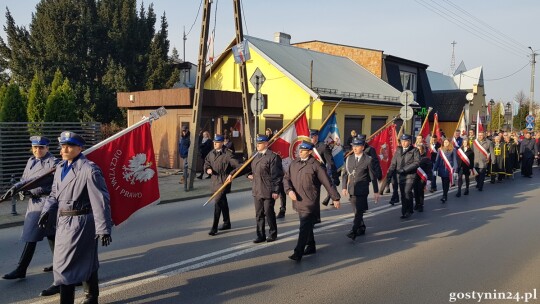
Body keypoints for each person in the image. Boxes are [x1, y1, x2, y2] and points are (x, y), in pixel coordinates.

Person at [39, 131, 112, 304]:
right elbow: (54, 194)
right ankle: (92, 297)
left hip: (81, 221)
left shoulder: (89, 169)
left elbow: (100, 200)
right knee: (86, 259)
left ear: (80, 148)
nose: (64, 149)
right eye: (62, 146)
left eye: (69, 146)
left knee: (65, 266)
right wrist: (46, 211)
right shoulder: (60, 168)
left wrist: (104, 228)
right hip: (63, 221)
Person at [1, 136, 60, 295]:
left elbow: (41, 179)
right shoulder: (31, 161)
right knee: (51, 235)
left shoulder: (53, 162)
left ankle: (21, 268)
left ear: (47, 148)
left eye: (41, 148)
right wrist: (21, 192)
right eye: (35, 148)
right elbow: (25, 179)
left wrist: (20, 186)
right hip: (33, 202)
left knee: (32, 235)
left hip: (46, 201)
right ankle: (59, 264)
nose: (37, 150)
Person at [283, 141, 340, 261]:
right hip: (297, 200)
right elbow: (286, 178)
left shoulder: (316, 165)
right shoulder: (294, 163)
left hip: (310, 201)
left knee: (303, 226)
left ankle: (298, 252)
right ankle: (311, 245)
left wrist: (335, 197)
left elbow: (327, 182)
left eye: (303, 150)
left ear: (309, 152)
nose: (300, 152)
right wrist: (289, 191)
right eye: (300, 150)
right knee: (306, 225)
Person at [246, 135, 283, 243]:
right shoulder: (254, 155)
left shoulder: (273, 157)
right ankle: (260, 235)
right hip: (257, 189)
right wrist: (247, 175)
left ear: (266, 144)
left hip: (268, 189)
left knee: (268, 212)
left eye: (260, 143)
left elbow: (277, 175)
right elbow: (247, 168)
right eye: (257, 143)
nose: (257, 145)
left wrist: (276, 190)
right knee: (259, 214)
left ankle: (272, 233)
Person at [204, 134, 242, 236]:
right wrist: (207, 169)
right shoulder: (211, 153)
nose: (215, 144)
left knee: (217, 202)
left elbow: (239, 166)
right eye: (214, 142)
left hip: (224, 181)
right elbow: (207, 162)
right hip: (214, 181)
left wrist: (231, 174)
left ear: (221, 143)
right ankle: (227, 222)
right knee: (222, 202)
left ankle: (214, 227)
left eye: (217, 142)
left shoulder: (228, 154)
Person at [342, 137, 379, 240]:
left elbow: (373, 176)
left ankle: (353, 231)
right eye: (353, 146)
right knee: (356, 211)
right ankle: (361, 226)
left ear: (362, 147)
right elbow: (345, 174)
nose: (355, 148)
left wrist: (376, 191)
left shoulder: (368, 159)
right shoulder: (349, 158)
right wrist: (344, 187)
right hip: (352, 189)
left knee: (358, 211)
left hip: (362, 189)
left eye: (357, 146)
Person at [386, 134, 420, 219]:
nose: (404, 143)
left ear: (409, 141)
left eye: (405, 141)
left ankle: (408, 210)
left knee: (407, 191)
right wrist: (389, 175)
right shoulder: (398, 150)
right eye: (402, 141)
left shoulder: (415, 150)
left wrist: (404, 169)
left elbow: (417, 163)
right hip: (400, 175)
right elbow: (393, 163)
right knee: (403, 194)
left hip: (410, 175)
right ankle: (405, 211)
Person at [310, 129, 337, 222]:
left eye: (312, 137)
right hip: (308, 174)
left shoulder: (323, 147)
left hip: (318, 175)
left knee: (315, 196)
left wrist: (334, 176)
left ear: (316, 136)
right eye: (309, 137)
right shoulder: (307, 147)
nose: (310, 139)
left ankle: (316, 217)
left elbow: (330, 162)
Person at [434, 138, 458, 203]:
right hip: (442, 168)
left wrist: (455, 170)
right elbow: (437, 160)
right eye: (444, 142)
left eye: (447, 142)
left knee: (446, 182)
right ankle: (445, 194)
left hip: (449, 169)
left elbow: (455, 160)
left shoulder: (453, 150)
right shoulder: (440, 150)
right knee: (443, 182)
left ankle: (444, 195)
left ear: (449, 143)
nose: (446, 144)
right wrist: (435, 169)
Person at [413, 144, 433, 212]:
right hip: (415, 177)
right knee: (415, 191)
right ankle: (416, 203)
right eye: (417, 149)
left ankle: (421, 205)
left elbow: (429, 170)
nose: (418, 151)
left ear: (423, 150)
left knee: (420, 191)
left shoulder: (426, 159)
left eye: (419, 149)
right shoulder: (413, 158)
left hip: (422, 177)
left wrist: (429, 179)